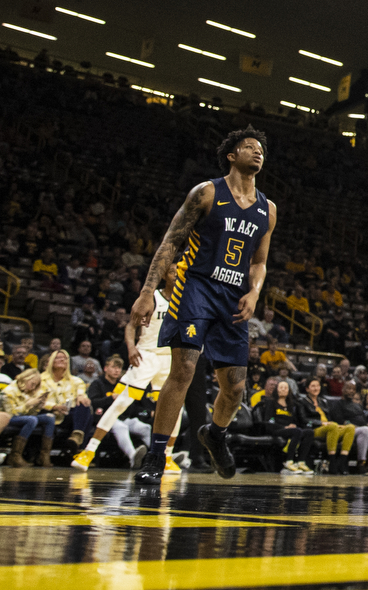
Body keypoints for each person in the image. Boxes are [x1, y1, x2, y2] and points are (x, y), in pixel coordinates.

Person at [130, 126, 275, 485]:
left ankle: (215, 434)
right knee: (184, 370)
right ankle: (156, 454)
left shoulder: (268, 209)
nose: (257, 152)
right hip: (195, 286)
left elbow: (259, 262)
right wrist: (148, 292)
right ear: (231, 155)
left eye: (261, 149)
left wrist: (255, 292)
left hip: (233, 296)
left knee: (236, 387)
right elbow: (170, 243)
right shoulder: (207, 192)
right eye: (249, 147)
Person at [74, 264, 179, 473]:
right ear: (164, 275)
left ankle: (167, 456)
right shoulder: (151, 297)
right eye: (174, 271)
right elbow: (131, 326)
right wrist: (131, 347)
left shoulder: (185, 301)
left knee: (174, 408)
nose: (178, 276)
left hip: (169, 357)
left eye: (181, 272)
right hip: (146, 354)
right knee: (122, 401)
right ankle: (89, 451)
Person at [0, 369, 56, 467]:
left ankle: (44, 456)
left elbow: (31, 414)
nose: (33, 387)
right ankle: (15, 455)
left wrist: (37, 406)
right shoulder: (8, 391)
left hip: (24, 417)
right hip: (7, 418)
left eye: (36, 385)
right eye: (32, 384)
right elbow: (10, 413)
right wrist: (27, 405)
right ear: (25, 379)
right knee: (32, 420)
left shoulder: (29, 392)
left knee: (50, 417)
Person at [298, 377, 355, 475]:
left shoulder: (323, 401)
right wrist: (321, 423)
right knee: (333, 426)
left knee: (350, 428)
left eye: (317, 386)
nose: (316, 388)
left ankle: (342, 461)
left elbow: (330, 419)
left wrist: (338, 425)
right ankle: (332, 461)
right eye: (313, 386)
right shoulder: (302, 402)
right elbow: (304, 420)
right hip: (314, 429)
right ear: (307, 389)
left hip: (329, 427)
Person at [258, 379, 313, 473]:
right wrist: (284, 427)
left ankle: (301, 462)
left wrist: (293, 424)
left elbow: (296, 420)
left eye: (285, 388)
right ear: (277, 390)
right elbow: (269, 421)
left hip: (290, 430)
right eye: (281, 387)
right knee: (297, 431)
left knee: (309, 432)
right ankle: (289, 462)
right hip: (276, 429)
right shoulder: (271, 402)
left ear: (289, 390)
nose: (283, 389)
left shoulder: (292, 405)